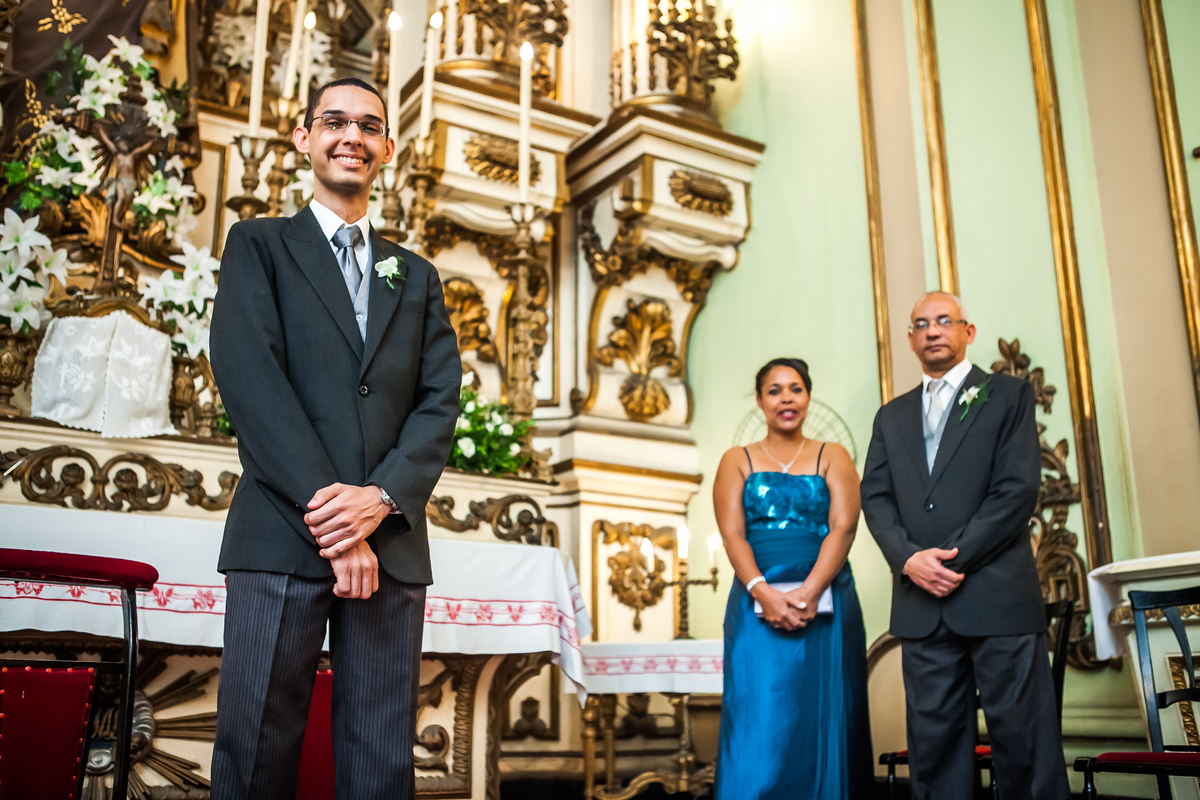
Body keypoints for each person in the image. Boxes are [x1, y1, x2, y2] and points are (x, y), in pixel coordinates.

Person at [208, 77, 461, 800]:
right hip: (282, 532)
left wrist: (379, 500)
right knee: (255, 750)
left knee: (381, 761)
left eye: (369, 126)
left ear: (388, 148)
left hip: (391, 541)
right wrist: (336, 519)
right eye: (334, 121)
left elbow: (440, 399)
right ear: (305, 138)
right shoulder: (258, 245)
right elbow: (251, 379)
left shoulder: (416, 275)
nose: (352, 135)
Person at [861, 292, 1069, 799]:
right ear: (910, 339)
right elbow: (876, 497)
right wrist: (909, 560)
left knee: (1024, 745)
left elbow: (1016, 490)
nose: (932, 331)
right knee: (934, 755)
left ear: (967, 332)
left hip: (997, 597)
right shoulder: (891, 416)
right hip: (921, 606)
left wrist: (950, 559)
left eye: (943, 320)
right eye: (921, 324)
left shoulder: (1009, 395)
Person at [713, 358, 873, 799]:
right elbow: (732, 534)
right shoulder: (736, 459)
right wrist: (762, 592)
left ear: (808, 396)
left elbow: (844, 526)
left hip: (829, 595)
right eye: (775, 390)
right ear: (760, 400)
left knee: (825, 711)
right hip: (754, 599)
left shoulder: (833, 455)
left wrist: (811, 590)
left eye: (796, 388)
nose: (786, 398)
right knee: (757, 712)